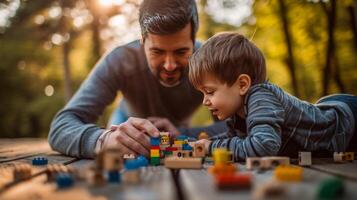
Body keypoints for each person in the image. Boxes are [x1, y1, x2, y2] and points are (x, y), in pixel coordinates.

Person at [48, 0, 226, 159]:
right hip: (124, 119)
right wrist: (103, 139)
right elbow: (61, 127)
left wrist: (182, 133)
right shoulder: (120, 60)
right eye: (157, 52)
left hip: (179, 127)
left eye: (181, 52)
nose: (169, 65)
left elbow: (239, 126)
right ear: (142, 40)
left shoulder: (210, 63)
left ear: (194, 41)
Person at [189, 32, 357, 161]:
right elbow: (234, 140)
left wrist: (212, 147)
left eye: (210, 92)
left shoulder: (261, 97)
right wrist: (201, 144)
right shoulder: (237, 111)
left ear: (242, 85)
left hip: (348, 124)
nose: (205, 101)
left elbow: (264, 145)